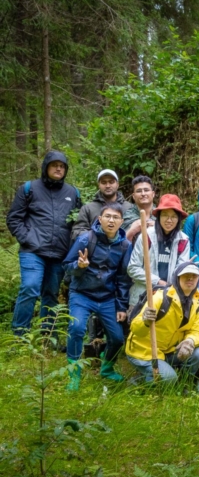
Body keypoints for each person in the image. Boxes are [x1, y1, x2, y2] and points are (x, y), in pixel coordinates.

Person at [6, 151, 82, 335]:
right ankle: (20, 334)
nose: (58, 168)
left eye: (62, 166)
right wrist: (27, 238)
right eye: (54, 165)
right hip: (33, 251)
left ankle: (47, 336)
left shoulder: (73, 192)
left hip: (59, 253)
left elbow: (78, 222)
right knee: (30, 287)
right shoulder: (29, 188)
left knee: (51, 294)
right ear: (45, 167)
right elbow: (14, 218)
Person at [62, 203, 132, 390]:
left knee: (117, 338)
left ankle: (107, 369)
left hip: (107, 297)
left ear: (121, 222)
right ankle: (74, 373)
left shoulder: (125, 245)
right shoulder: (86, 239)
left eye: (115, 217)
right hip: (82, 294)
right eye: (107, 216)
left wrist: (121, 306)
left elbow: (123, 279)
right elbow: (66, 266)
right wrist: (79, 266)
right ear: (99, 219)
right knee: (76, 328)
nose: (111, 220)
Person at [125, 262, 199, 384]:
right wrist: (145, 321)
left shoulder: (195, 303)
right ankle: (137, 381)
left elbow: (197, 331)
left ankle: (182, 385)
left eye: (194, 276)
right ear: (177, 278)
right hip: (144, 351)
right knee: (169, 379)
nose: (190, 278)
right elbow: (135, 328)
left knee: (197, 354)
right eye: (186, 275)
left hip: (168, 350)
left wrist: (190, 341)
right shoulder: (160, 298)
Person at [127, 194, 191, 309]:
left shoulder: (183, 240)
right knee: (139, 326)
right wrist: (158, 282)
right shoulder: (146, 236)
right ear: (159, 217)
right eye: (165, 215)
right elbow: (133, 268)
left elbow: (180, 271)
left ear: (179, 219)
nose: (169, 220)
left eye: (173, 216)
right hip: (143, 298)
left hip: (170, 298)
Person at [72, 169, 134, 241]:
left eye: (111, 182)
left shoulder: (129, 207)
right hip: (95, 251)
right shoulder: (88, 209)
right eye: (103, 182)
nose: (107, 185)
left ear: (117, 184)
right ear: (99, 185)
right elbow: (76, 232)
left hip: (123, 250)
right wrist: (98, 237)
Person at [123, 175, 157, 242]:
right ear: (134, 196)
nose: (143, 194)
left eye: (146, 190)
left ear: (153, 194)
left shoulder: (161, 215)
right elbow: (118, 246)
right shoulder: (126, 217)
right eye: (139, 191)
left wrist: (159, 228)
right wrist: (132, 231)